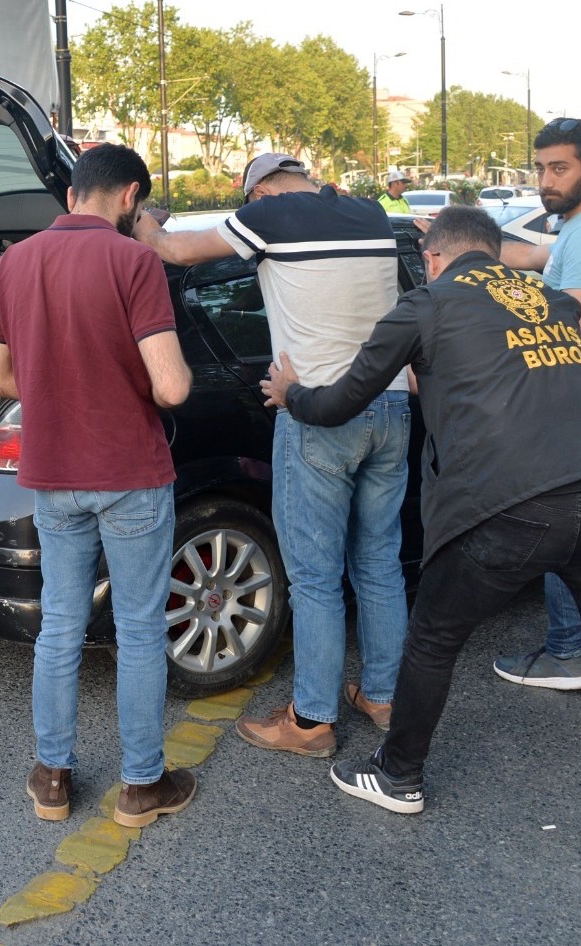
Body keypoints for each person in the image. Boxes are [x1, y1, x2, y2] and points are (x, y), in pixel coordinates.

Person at [262, 206, 581, 890]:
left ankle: (398, 775)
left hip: (508, 501)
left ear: (432, 257)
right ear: (494, 253)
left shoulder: (425, 305)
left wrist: (292, 394)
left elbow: (341, 402)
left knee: (434, 640)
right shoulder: (547, 300)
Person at [136, 153, 410, 753]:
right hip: (390, 406)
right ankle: (385, 697)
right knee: (378, 563)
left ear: (258, 193)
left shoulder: (271, 216)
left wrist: (144, 221)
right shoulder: (371, 214)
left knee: (314, 576)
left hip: (318, 413)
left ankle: (311, 721)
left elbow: (175, 252)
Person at [0, 143, 196, 829]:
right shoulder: (135, 262)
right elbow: (172, 386)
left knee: (60, 627)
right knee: (139, 631)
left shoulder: (15, 262)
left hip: (53, 475)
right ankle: (142, 786)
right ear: (131, 196)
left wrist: (57, 388)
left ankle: (52, 777)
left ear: (73, 193)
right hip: (131, 472)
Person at [491, 119, 581, 690]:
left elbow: (567, 324)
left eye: (560, 168)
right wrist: (475, 250)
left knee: (565, 538)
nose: (546, 181)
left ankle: (566, 653)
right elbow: (539, 257)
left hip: (575, 410)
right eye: (540, 168)